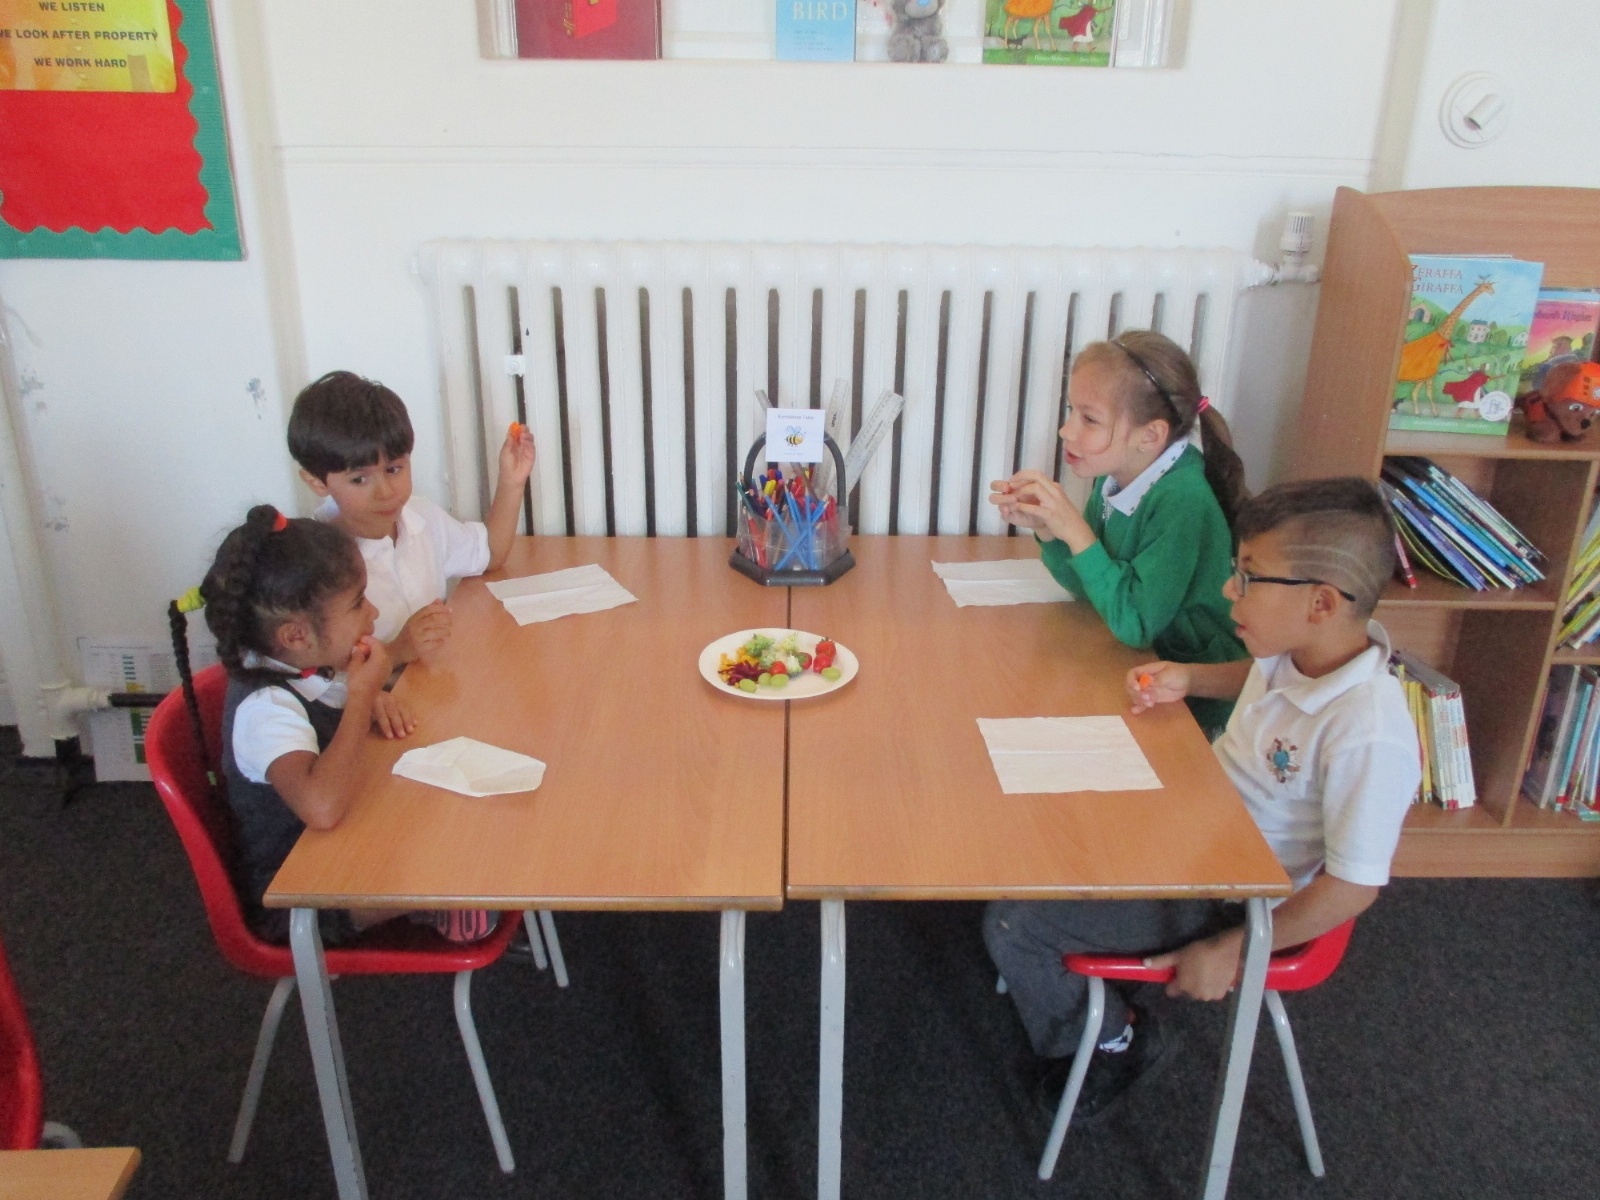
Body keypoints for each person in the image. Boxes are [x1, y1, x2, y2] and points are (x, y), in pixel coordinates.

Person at [983, 477, 1420, 1125]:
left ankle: (1116, 1041)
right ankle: (1087, 975)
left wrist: (1236, 949)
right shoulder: (1300, 651)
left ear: (1321, 603)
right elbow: (1258, 676)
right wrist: (1190, 678)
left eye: (1248, 578)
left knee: (1015, 927)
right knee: (1032, 813)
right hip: (1190, 830)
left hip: (1227, 898)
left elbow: (1353, 887)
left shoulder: (1369, 732)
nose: (1227, 590)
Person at [174, 504, 495, 945]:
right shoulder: (265, 709)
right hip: (304, 898)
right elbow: (321, 808)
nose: (373, 614)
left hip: (346, 840)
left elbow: (327, 706)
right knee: (472, 845)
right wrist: (362, 696)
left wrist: (367, 697)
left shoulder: (303, 665)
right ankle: (440, 902)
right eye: (358, 603)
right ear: (296, 636)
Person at [989, 330, 1247, 733]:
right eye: (1072, 411)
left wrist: (1075, 529)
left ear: (1151, 436)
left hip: (1193, 702)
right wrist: (1051, 531)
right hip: (1140, 667)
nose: (1066, 431)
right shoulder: (1119, 474)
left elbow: (1136, 624)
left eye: (1089, 419)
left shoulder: (1182, 499)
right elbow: (1091, 589)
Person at [288, 370, 535, 665]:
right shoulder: (313, 565)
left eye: (394, 469)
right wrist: (397, 651)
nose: (385, 492)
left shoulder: (422, 517)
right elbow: (327, 679)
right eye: (359, 479)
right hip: (381, 694)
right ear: (316, 482)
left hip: (433, 679)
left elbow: (490, 553)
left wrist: (511, 481)